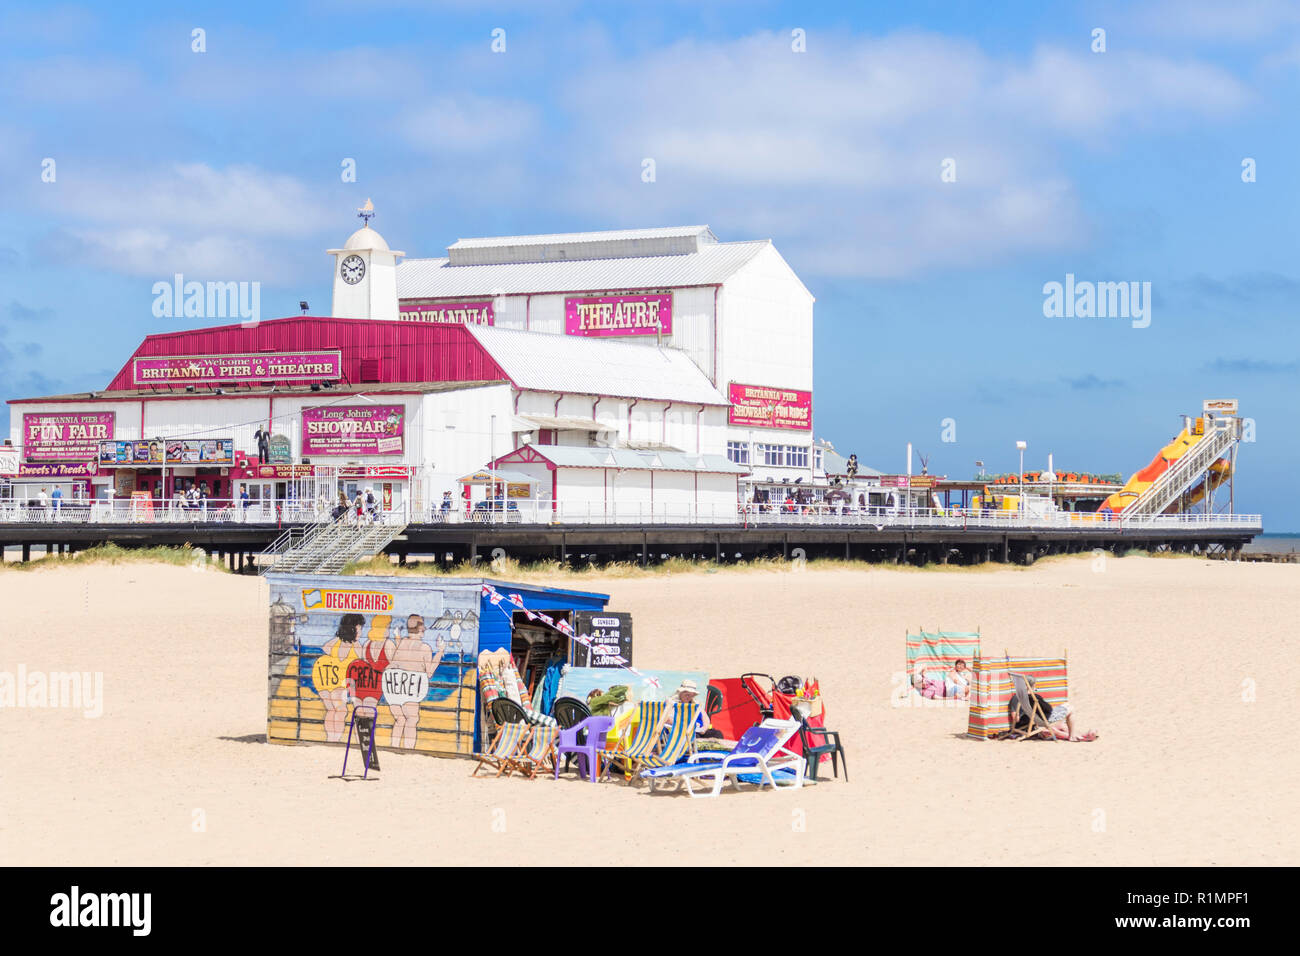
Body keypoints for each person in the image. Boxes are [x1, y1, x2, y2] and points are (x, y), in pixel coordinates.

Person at [384, 614, 448, 749]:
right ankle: (408, 750)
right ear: (420, 628)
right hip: (410, 689)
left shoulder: (401, 643)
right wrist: (440, 652)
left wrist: (397, 638)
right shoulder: (424, 648)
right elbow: (429, 672)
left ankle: (393, 747)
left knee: (400, 719)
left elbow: (395, 661)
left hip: (393, 690)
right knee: (412, 720)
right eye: (423, 625)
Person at [1007, 678, 1098, 741]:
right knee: (1068, 711)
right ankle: (1078, 737)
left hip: (1037, 721)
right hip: (1032, 726)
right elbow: (1016, 719)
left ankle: (1081, 734)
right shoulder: (1025, 698)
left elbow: (1017, 718)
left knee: (1062, 725)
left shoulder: (1017, 698)